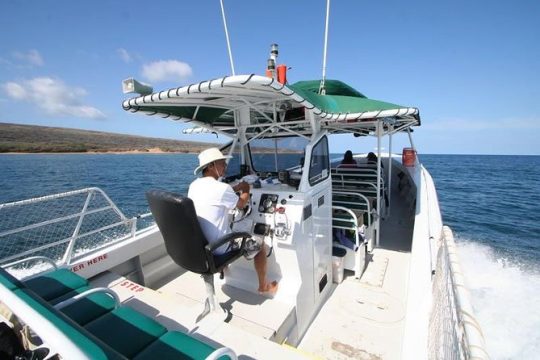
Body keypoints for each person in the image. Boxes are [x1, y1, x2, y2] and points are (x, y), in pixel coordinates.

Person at [188, 147, 278, 295]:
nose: (225, 166)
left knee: (230, 223)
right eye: (222, 163)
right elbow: (241, 204)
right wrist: (247, 190)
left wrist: (236, 187)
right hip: (220, 247)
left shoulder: (194, 185)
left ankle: (222, 269)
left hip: (201, 246)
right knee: (261, 243)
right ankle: (264, 286)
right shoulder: (221, 189)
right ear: (211, 166)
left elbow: (218, 194)